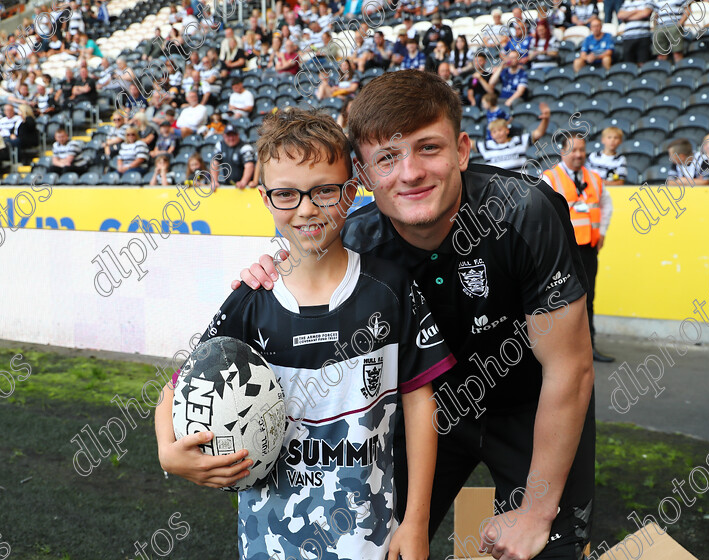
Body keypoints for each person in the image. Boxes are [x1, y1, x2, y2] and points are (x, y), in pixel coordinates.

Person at [236, 70, 596, 560]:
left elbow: (569, 369)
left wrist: (535, 512)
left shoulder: (524, 211)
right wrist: (269, 269)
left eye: (428, 147)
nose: (410, 173)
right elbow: (296, 268)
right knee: (387, 544)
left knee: (551, 550)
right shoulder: (358, 242)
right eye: (387, 157)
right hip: (427, 417)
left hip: (529, 406)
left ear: (462, 150)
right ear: (362, 176)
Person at [155, 107, 451, 560]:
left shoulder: (389, 291)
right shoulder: (251, 299)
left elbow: (419, 401)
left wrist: (416, 520)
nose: (307, 209)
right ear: (266, 197)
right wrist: (167, 451)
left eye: (324, 191)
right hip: (268, 543)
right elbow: (178, 387)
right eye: (287, 194)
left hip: (372, 541)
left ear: (351, 191)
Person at [543, 136, 615, 363]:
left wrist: (601, 232)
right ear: (562, 152)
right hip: (560, 252)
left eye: (582, 150)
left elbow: (607, 205)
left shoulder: (594, 178)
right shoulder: (549, 177)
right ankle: (560, 351)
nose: (578, 154)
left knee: (588, 298)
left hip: (587, 250)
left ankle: (589, 348)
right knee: (561, 301)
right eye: (573, 150)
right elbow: (540, 212)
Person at [475, 103, 551, 171]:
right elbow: (467, 142)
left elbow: (538, 133)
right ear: (491, 134)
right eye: (494, 132)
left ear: (507, 130)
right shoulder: (485, 146)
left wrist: (545, 119)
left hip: (520, 184)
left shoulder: (519, 141)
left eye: (500, 130)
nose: (498, 133)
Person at [211, 124, 256, 190]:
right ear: (224, 136)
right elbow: (214, 163)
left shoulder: (245, 147)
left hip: (245, 188)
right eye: (228, 136)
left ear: (238, 135)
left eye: (233, 135)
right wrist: (214, 181)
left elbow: (249, 166)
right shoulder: (220, 145)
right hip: (229, 185)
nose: (231, 138)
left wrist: (243, 182)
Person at [617, 0, 654, 66]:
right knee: (629, 64)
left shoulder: (647, 1)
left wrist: (628, 17)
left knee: (643, 62)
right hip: (628, 37)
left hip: (643, 36)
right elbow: (620, 15)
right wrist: (636, 11)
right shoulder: (627, 2)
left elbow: (645, 13)